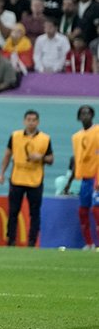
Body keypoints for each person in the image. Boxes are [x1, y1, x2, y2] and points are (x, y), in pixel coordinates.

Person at [0, 110, 54, 247]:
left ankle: (32, 241)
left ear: (38, 122)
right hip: (17, 178)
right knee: (13, 211)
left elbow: (51, 159)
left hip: (35, 180)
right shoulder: (15, 136)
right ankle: (10, 240)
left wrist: (40, 157)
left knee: (34, 213)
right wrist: (2, 173)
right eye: (28, 120)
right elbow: (7, 155)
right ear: (24, 121)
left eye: (34, 120)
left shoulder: (45, 138)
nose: (31, 122)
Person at [60, 106, 98, 250]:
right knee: (83, 211)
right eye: (82, 113)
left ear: (93, 116)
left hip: (96, 178)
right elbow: (78, 159)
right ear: (78, 117)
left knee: (96, 211)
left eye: (88, 113)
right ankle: (89, 244)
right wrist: (69, 182)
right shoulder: (76, 137)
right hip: (85, 179)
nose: (85, 116)